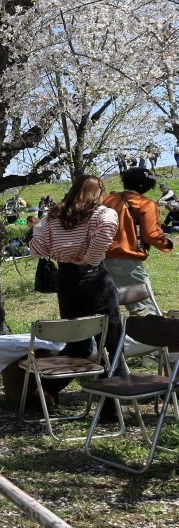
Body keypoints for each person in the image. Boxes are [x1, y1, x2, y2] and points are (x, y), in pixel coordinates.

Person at [28, 175, 120, 407]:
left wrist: (41, 231)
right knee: (110, 342)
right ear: (97, 191)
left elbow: (36, 250)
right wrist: (89, 259)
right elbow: (107, 229)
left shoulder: (51, 216)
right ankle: (111, 406)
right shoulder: (102, 213)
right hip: (94, 277)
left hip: (65, 279)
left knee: (78, 339)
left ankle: (46, 388)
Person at [102, 167, 173, 315]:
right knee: (147, 310)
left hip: (101, 259)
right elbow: (150, 234)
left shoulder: (107, 200)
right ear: (148, 186)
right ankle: (148, 336)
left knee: (108, 306)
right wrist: (168, 244)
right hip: (128, 259)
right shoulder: (145, 204)